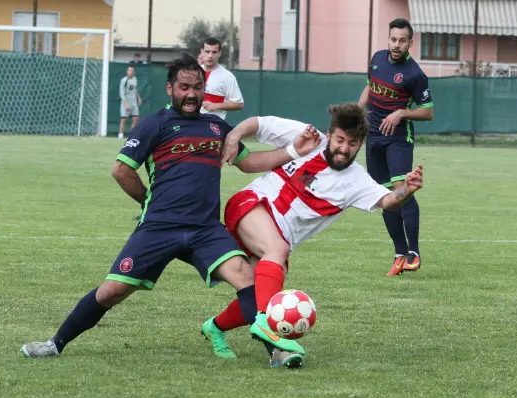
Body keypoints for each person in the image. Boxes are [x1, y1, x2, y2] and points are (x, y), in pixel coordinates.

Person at [20, 54, 321, 368]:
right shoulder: (155, 124)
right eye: (183, 87)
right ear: (170, 88)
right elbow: (121, 170)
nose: (191, 94)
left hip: (205, 229)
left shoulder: (216, 127)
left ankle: (276, 351)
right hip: (159, 227)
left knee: (249, 281)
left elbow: (248, 163)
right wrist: (150, 204)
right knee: (112, 291)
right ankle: (54, 344)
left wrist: (292, 151)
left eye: (197, 88)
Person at [200, 103, 424, 367]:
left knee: (260, 293)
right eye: (339, 140)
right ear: (329, 135)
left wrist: (405, 191)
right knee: (276, 257)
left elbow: (387, 200)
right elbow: (258, 123)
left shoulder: (357, 180)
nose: (343, 148)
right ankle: (270, 334)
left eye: (352, 143)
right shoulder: (308, 137)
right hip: (252, 204)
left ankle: (215, 327)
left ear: (360, 145)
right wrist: (235, 135)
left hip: (276, 236)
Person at [357, 18, 434, 276]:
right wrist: (355, 117)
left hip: (399, 138)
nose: (396, 44)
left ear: (410, 43)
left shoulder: (415, 74)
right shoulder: (377, 58)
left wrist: (401, 112)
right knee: (382, 196)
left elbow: (428, 111)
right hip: (374, 136)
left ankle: (414, 252)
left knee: (403, 189)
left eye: (402, 40)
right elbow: (370, 87)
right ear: (388, 38)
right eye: (393, 39)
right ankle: (400, 253)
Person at [199, 37, 243, 120]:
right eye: (207, 52)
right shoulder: (193, 72)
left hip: (213, 125)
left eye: (214, 52)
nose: (210, 56)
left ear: (219, 53)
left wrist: (216, 105)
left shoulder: (227, 76)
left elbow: (239, 104)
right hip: (191, 123)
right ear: (201, 52)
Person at [118, 65, 142, 139]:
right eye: (129, 70)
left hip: (134, 102)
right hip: (126, 102)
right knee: (124, 119)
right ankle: (120, 134)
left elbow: (135, 90)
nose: (131, 72)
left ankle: (132, 135)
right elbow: (121, 92)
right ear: (127, 71)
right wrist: (126, 104)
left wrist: (139, 98)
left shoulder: (135, 79)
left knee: (135, 118)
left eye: (132, 70)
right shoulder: (124, 80)